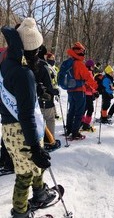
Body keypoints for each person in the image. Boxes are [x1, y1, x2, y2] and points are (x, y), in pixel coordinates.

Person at [0, 18, 55, 218]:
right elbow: (26, 115)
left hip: (9, 127)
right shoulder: (24, 73)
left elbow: (9, 91)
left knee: (35, 166)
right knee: (24, 175)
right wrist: (34, 147)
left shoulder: (7, 62)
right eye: (37, 50)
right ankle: (20, 213)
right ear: (31, 50)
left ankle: (40, 193)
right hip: (22, 130)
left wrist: (33, 92)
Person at [65, 42, 98, 140]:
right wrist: (96, 87)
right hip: (79, 91)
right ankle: (75, 133)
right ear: (80, 52)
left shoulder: (69, 62)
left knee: (71, 110)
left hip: (70, 90)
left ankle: (69, 129)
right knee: (79, 112)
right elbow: (87, 78)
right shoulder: (79, 64)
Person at [35, 45, 60, 150]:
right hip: (46, 97)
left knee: (38, 119)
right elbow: (49, 85)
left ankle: (39, 141)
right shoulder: (44, 66)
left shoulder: (30, 64)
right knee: (49, 119)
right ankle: (49, 141)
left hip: (34, 98)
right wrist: (55, 91)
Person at [81, 59, 99, 131]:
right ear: (90, 66)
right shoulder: (89, 73)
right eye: (92, 66)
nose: (93, 68)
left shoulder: (85, 72)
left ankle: (81, 122)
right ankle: (86, 124)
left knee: (84, 108)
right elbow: (90, 83)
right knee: (90, 109)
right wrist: (95, 92)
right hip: (88, 93)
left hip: (84, 93)